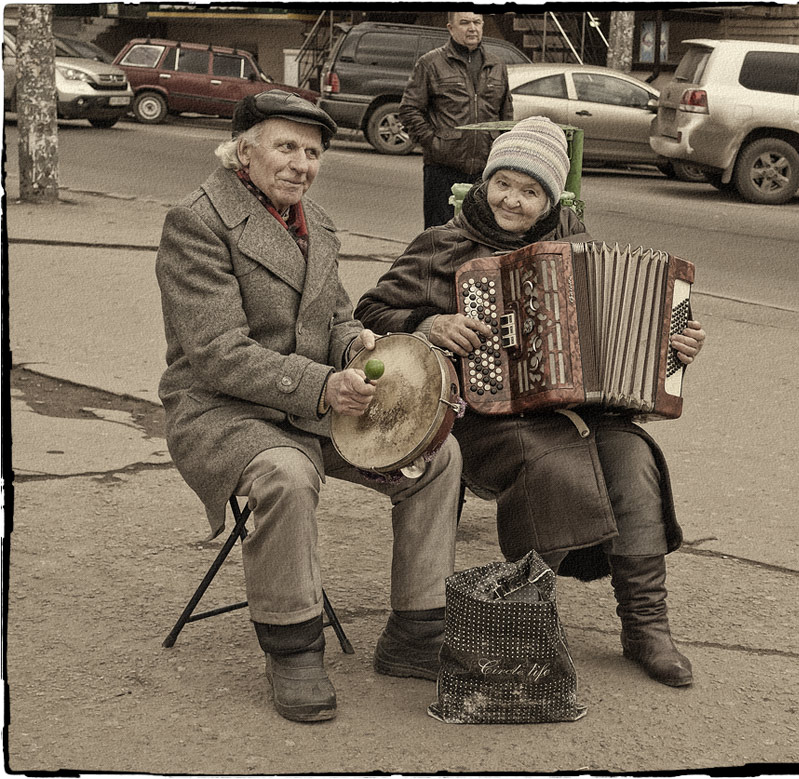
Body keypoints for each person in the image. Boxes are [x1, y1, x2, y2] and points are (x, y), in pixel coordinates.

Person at [356, 116, 707, 688]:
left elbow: (633, 335)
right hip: (481, 413)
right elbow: (369, 315)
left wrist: (674, 344)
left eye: (531, 191)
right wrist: (429, 322)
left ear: (550, 200)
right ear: (485, 181)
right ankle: (524, 617)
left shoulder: (578, 249)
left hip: (577, 410)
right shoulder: (440, 245)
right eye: (504, 184)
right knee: (553, 463)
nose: (513, 201)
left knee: (634, 459)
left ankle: (646, 627)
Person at [155, 90, 462, 723]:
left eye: (313, 152)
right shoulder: (197, 220)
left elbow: (336, 320)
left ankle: (416, 631)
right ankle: (294, 649)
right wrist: (325, 385)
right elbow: (216, 354)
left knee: (439, 452)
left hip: (310, 400)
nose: (301, 163)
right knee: (287, 473)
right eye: (286, 146)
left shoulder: (315, 222)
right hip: (221, 411)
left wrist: (358, 342)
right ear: (244, 152)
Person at [398, 10, 513, 229]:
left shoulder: (497, 65)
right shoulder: (430, 63)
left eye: (477, 22)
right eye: (465, 22)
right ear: (450, 28)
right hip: (443, 169)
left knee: (483, 233)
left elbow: (506, 115)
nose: (472, 28)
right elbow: (409, 109)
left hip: (486, 171)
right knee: (440, 235)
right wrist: (434, 143)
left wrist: (502, 152)